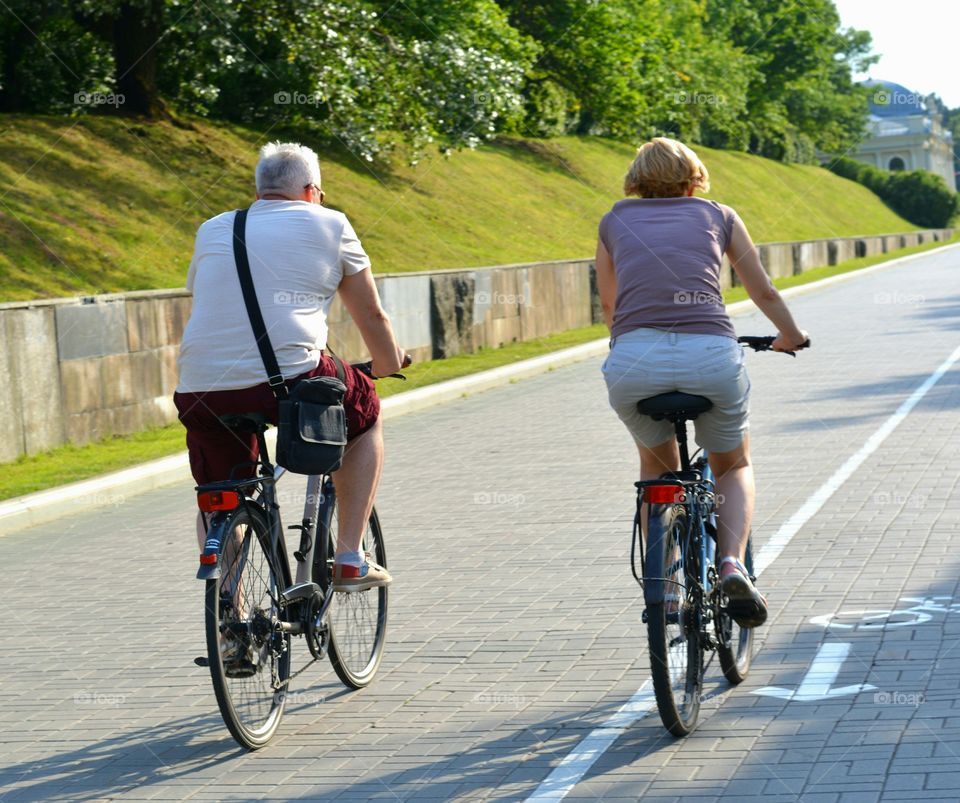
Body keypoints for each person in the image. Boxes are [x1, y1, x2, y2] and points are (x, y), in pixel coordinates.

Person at [174, 141, 406, 593]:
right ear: (311, 190)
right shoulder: (331, 223)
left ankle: (231, 621)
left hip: (201, 389)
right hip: (291, 380)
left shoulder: (215, 228)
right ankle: (349, 557)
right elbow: (372, 316)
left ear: (260, 191)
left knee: (222, 494)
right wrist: (388, 362)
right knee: (365, 413)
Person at [596, 137, 808, 628]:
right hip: (710, 356)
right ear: (694, 177)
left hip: (633, 361)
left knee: (658, 475)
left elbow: (610, 307)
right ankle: (732, 563)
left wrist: (635, 343)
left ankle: (663, 590)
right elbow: (763, 289)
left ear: (636, 179)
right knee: (733, 465)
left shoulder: (614, 219)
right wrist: (790, 336)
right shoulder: (719, 215)